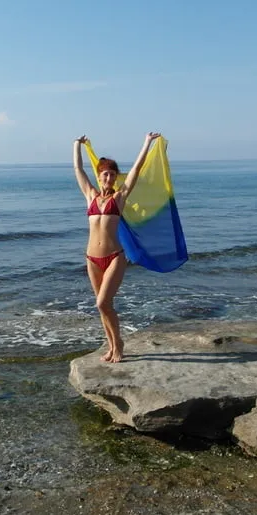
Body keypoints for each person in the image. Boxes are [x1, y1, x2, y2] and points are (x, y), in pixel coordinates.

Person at [73, 132, 160, 363]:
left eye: (112, 174)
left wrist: (147, 143)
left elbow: (135, 172)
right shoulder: (90, 196)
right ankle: (111, 346)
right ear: (99, 176)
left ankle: (119, 343)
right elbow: (78, 171)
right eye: (105, 174)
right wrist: (76, 146)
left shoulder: (119, 198)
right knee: (103, 307)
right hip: (92, 258)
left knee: (102, 302)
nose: (108, 177)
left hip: (114, 257)